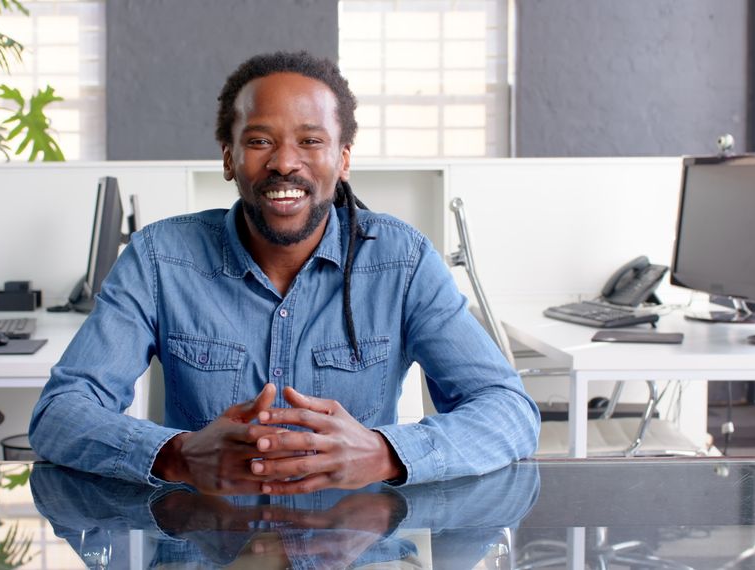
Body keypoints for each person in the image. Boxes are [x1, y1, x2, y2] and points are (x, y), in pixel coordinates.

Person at [29, 51, 539, 495]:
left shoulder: (403, 262)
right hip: (206, 548)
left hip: (356, 550)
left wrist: (384, 453)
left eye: (311, 140)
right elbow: (60, 413)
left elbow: (509, 411)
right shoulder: (158, 259)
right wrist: (177, 455)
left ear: (342, 159)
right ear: (229, 159)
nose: (285, 163)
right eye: (259, 141)